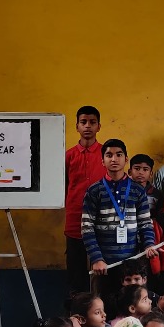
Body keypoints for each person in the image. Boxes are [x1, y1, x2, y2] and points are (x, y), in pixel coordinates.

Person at [82, 138, 158, 304]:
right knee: (103, 309)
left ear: (126, 159)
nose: (114, 159)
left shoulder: (138, 191)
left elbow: (145, 224)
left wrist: (149, 245)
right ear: (103, 161)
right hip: (103, 267)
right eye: (109, 155)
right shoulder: (94, 191)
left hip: (131, 265)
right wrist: (96, 259)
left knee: (132, 308)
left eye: (118, 155)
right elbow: (87, 228)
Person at [64, 106, 104, 293]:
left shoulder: (107, 154)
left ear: (99, 126)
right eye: (83, 122)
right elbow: (62, 186)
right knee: (76, 271)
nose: (88, 126)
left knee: (103, 271)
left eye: (92, 122)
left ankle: (102, 313)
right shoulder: (68, 156)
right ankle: (77, 314)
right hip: (75, 219)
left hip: (102, 219)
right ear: (77, 126)